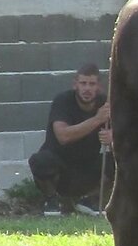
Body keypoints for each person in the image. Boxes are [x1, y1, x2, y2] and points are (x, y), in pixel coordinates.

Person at [28, 64, 116, 218]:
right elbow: (63, 136)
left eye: (92, 84)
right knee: (40, 160)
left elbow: (125, 138)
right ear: (75, 84)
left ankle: (90, 200)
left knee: (119, 161)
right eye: (83, 83)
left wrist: (112, 138)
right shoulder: (63, 101)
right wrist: (97, 120)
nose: (87, 89)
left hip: (88, 168)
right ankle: (52, 200)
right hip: (59, 168)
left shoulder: (106, 105)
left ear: (99, 87)